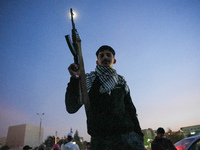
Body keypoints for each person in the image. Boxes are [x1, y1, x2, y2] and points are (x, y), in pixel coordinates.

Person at [65, 45, 145, 150]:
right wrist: (75, 78)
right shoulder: (89, 81)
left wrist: (139, 135)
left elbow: (131, 110)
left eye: (108, 55)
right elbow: (71, 107)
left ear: (114, 60)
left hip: (127, 137)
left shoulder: (121, 82)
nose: (105, 57)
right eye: (101, 56)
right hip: (101, 140)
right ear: (97, 61)